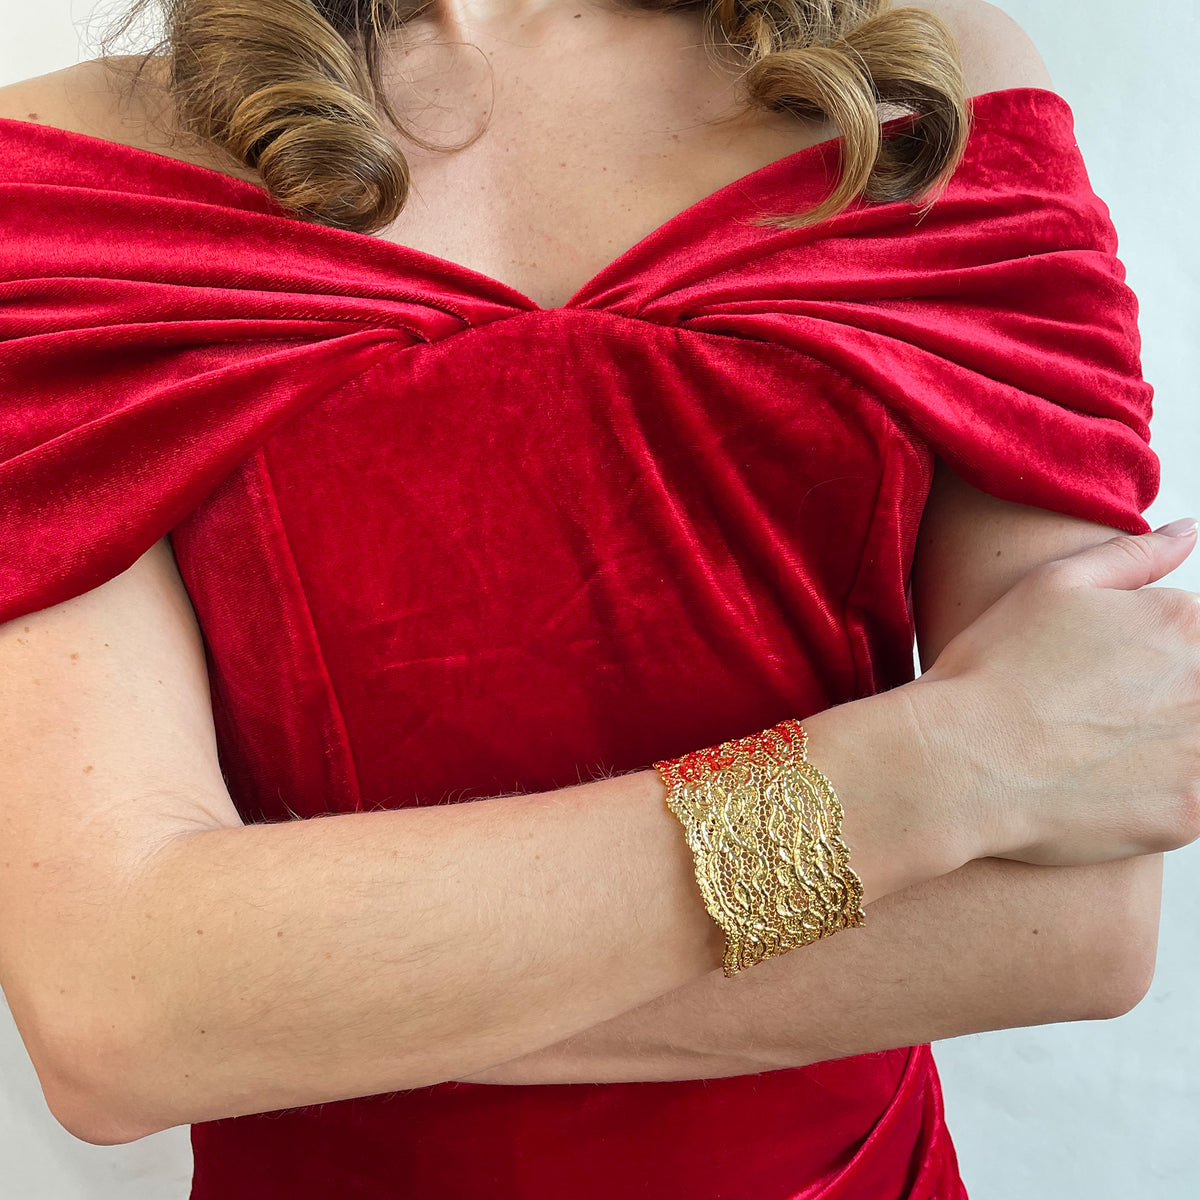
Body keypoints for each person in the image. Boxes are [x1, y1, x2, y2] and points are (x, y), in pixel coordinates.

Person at [0, 1, 1197, 1197]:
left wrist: (287, 1006)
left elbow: (1075, 923)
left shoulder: (930, 76)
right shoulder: (57, 165)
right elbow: (117, 1018)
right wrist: (937, 766)